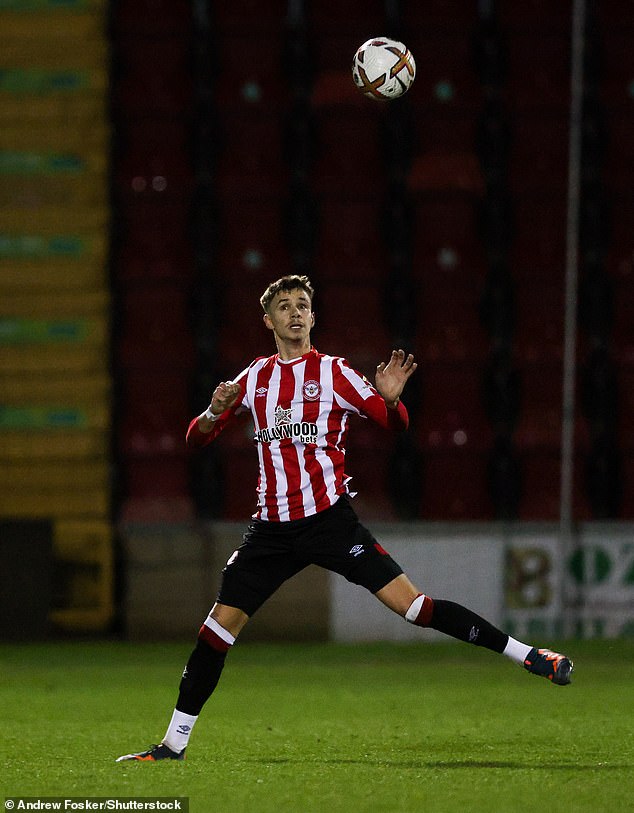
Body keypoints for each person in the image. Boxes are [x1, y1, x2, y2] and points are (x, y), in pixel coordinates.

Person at [117, 274, 573, 762]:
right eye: (285, 306)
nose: (295, 312)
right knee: (216, 631)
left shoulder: (334, 373)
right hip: (269, 531)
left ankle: (528, 655)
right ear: (268, 320)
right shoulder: (253, 379)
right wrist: (211, 412)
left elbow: (390, 422)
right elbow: (195, 439)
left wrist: (393, 401)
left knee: (415, 608)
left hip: (329, 523)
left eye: (303, 305)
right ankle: (172, 745)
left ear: (313, 317)